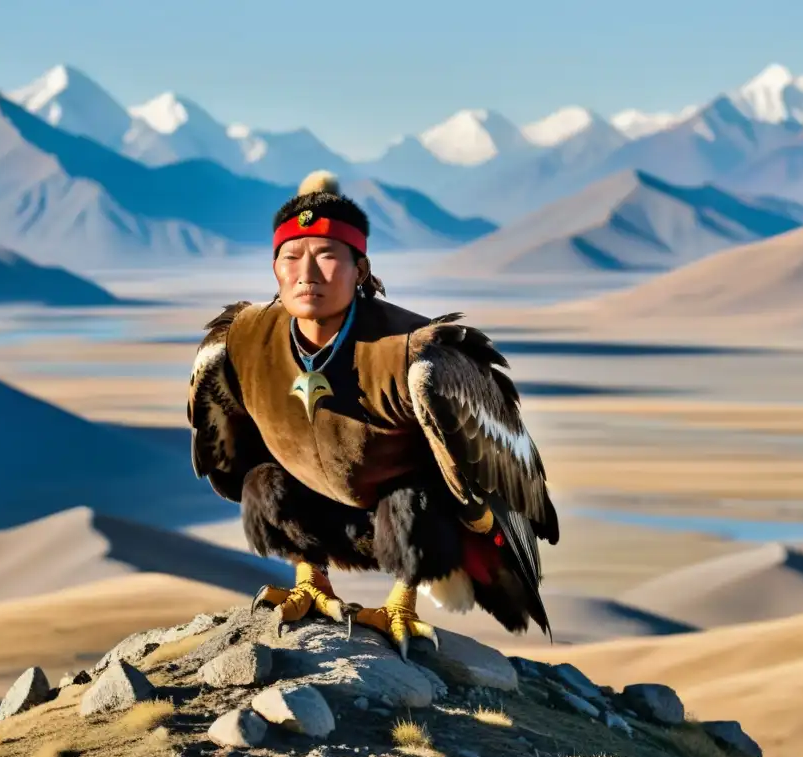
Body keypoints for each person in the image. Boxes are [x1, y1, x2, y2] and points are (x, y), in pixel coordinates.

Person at [188, 170, 559, 659]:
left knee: (413, 499)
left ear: (360, 269)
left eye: (326, 256)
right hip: (325, 506)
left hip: (411, 516)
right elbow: (231, 461)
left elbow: (490, 496)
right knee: (262, 480)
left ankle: (400, 603)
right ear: (274, 269)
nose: (308, 274)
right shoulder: (240, 344)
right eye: (292, 257)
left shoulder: (415, 357)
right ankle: (310, 580)